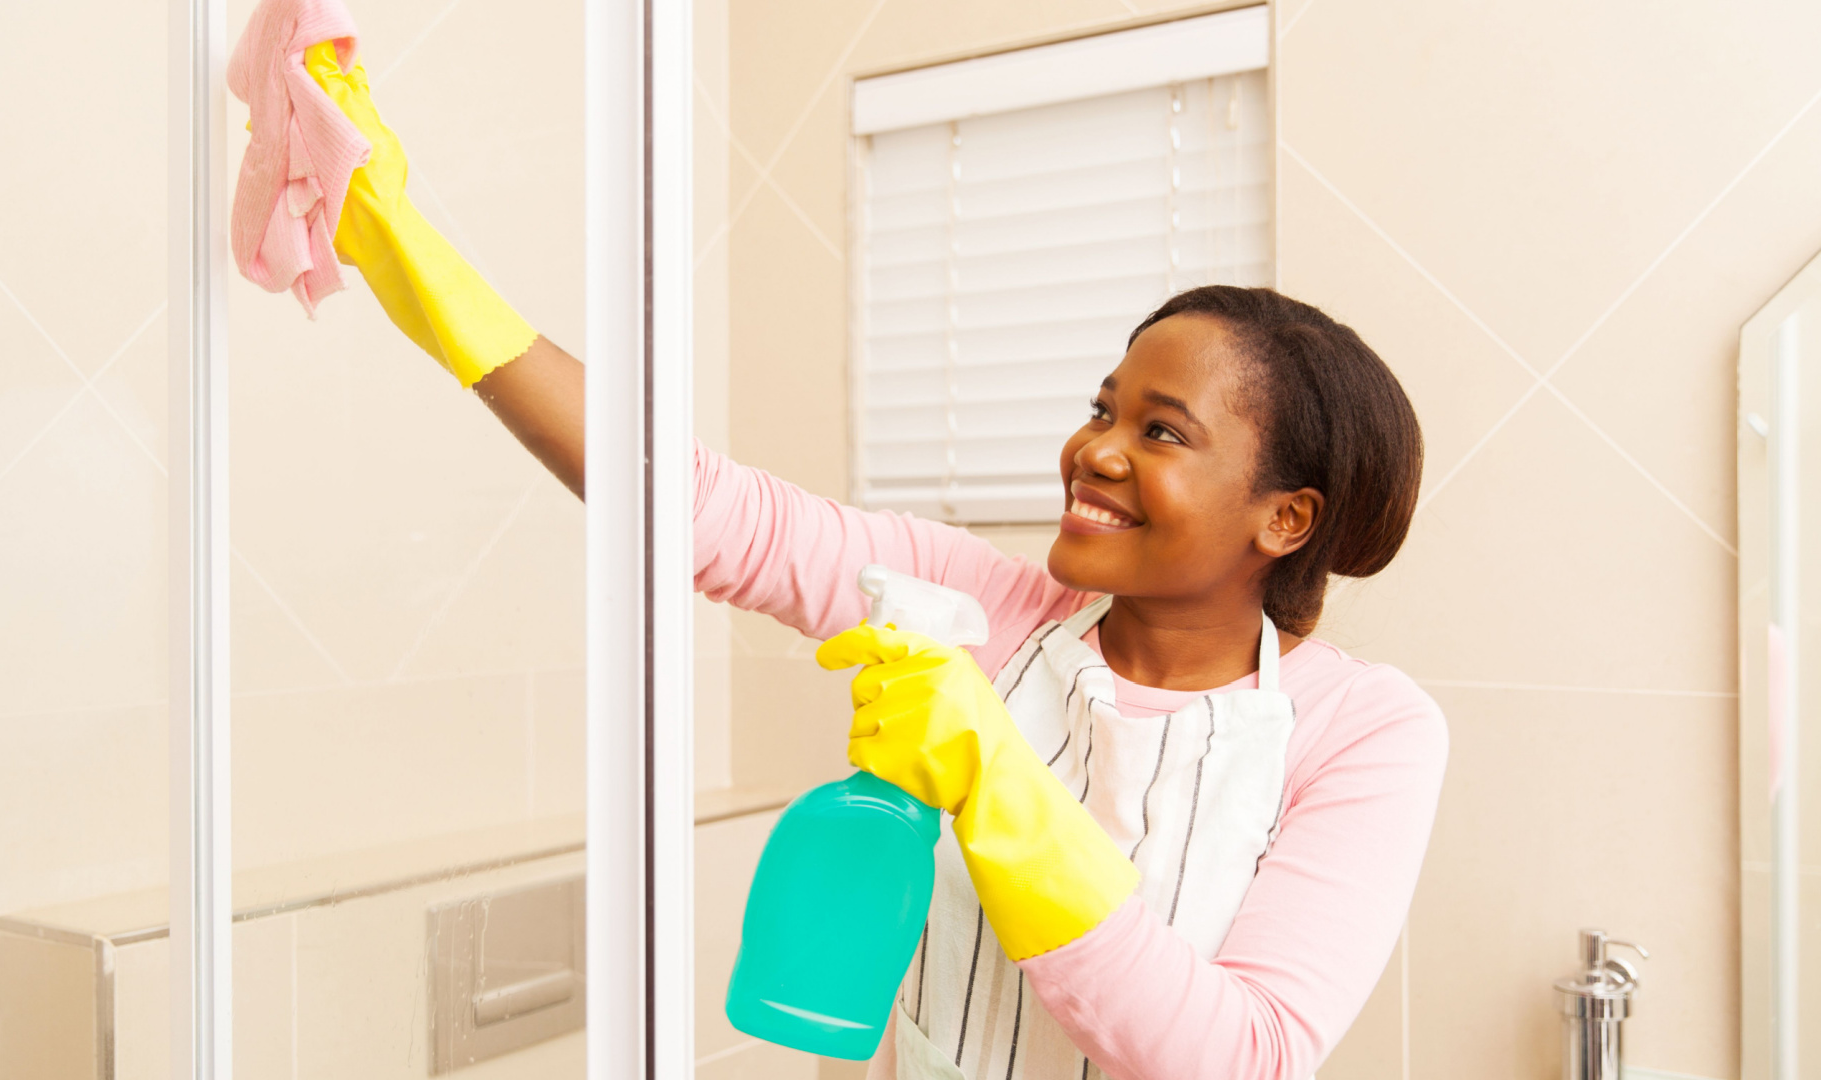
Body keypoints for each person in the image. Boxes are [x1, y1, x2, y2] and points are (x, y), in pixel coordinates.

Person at [303, 45, 1448, 1080]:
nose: (1093, 450)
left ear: (1284, 520)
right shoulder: (991, 609)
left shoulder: (1363, 733)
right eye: (1102, 409)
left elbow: (1239, 1056)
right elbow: (698, 511)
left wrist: (998, 779)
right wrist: (406, 249)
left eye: (1161, 431)